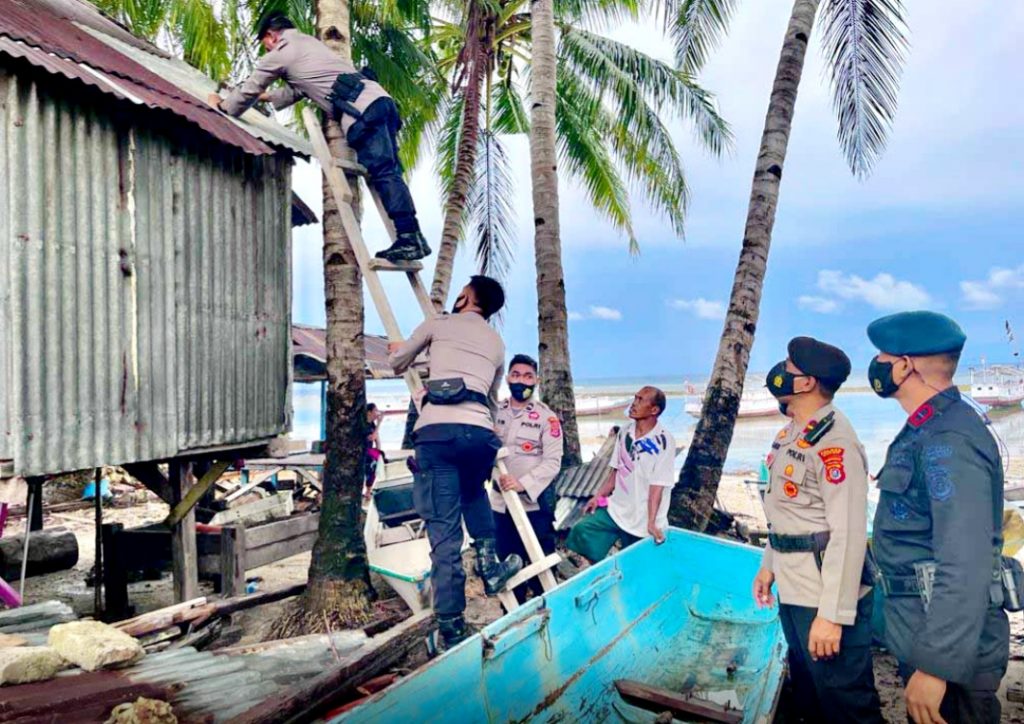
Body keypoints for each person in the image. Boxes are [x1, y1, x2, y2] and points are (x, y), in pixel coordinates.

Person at [867, 311, 1008, 724]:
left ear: (905, 365)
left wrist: (935, 666)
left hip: (948, 645)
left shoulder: (950, 439)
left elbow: (966, 559)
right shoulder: (928, 428)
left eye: (883, 356)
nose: (876, 364)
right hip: (921, 626)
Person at [208, 13, 429, 263]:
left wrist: (223, 106)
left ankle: (409, 238)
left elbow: (250, 87)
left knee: (383, 172)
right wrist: (267, 98)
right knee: (390, 171)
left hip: (361, 111)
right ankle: (414, 235)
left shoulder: (281, 52)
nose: (266, 50)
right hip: (380, 101)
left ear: (271, 36)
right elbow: (298, 88)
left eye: (265, 45)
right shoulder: (310, 45)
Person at [388, 275, 522, 648]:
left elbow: (399, 360)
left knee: (445, 535)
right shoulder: (497, 343)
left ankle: (450, 624)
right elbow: (490, 398)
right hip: (479, 435)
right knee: (474, 492)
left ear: (464, 298)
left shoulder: (440, 322)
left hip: (438, 436)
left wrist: (397, 347)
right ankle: (489, 563)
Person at [755, 337, 883, 723]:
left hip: (824, 594)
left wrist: (833, 615)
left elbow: (848, 533)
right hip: (795, 588)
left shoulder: (835, 443)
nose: (779, 371)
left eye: (788, 367)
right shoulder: (792, 432)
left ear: (807, 383)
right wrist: (768, 566)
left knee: (845, 702)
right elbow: (785, 513)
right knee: (810, 694)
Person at [565, 386, 675, 562]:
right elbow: (616, 472)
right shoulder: (625, 432)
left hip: (643, 518)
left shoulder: (663, 441)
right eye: (635, 398)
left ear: (654, 410)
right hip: (618, 510)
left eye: (640, 400)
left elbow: (657, 486)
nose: (633, 404)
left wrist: (652, 522)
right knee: (582, 529)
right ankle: (598, 566)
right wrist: (598, 496)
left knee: (636, 565)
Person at [490, 354, 563, 602]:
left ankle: (548, 611)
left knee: (541, 563)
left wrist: (522, 484)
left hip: (534, 505)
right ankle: (512, 611)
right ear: (508, 378)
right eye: (516, 375)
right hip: (500, 505)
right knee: (506, 564)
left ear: (537, 381)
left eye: (528, 376)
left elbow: (553, 461)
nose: (522, 380)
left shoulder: (546, 417)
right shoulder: (493, 412)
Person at [363, 403, 386, 502]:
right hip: (363, 450)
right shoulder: (365, 425)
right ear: (369, 412)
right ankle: (368, 490)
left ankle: (369, 490)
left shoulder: (372, 424)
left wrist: (378, 450)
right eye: (375, 411)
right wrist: (380, 424)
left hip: (370, 450)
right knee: (372, 463)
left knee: (380, 458)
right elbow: (372, 437)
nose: (377, 413)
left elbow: (376, 438)